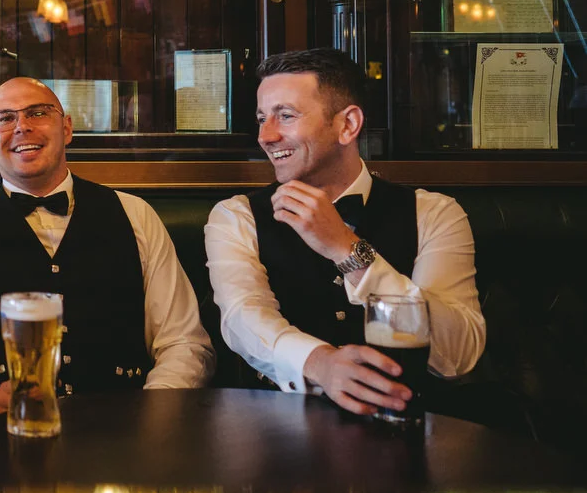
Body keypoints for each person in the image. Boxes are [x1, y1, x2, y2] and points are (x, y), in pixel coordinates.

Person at [0, 77, 214, 428]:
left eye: (38, 113)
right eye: (5, 118)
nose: (22, 126)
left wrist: (152, 412)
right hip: (0, 437)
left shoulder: (136, 215)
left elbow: (183, 343)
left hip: (125, 434)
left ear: (67, 128)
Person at [205, 48, 485, 416]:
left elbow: (458, 356)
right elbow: (243, 319)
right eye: (261, 118)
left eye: (285, 116)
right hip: (277, 430)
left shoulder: (435, 213)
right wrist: (319, 363)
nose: (266, 136)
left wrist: (346, 249)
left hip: (412, 427)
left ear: (348, 125)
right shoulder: (236, 217)